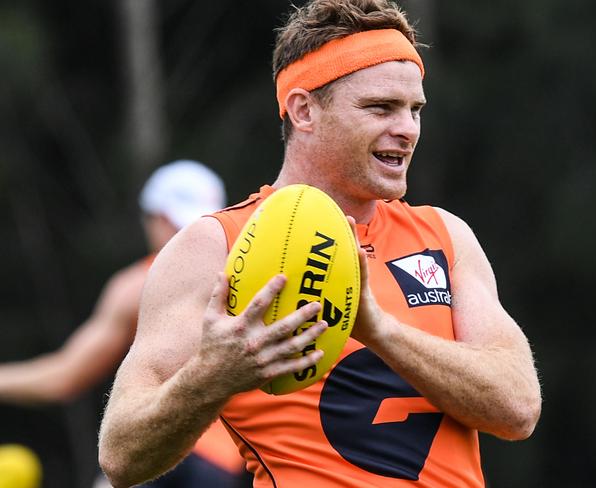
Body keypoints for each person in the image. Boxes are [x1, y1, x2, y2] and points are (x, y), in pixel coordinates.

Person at [98, 1, 543, 487]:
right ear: (303, 109)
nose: (408, 129)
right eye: (380, 107)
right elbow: (121, 457)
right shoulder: (215, 246)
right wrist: (212, 376)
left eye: (414, 109)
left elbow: (518, 409)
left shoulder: (445, 235)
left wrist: (378, 330)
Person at [0, 160, 246, 487]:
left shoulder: (138, 284)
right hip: (231, 464)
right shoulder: (247, 275)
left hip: (162, 451)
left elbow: (66, 377)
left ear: (154, 218)